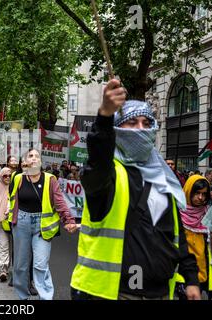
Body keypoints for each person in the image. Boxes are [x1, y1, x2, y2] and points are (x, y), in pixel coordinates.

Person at [70, 79, 200, 300]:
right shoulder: (109, 174)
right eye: (131, 123)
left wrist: (191, 280)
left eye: (146, 123)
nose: (140, 129)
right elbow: (98, 159)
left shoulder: (164, 180)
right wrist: (105, 116)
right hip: (112, 293)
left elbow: (175, 236)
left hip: (159, 293)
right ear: (117, 130)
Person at [9, 148, 78, 300]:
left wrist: (68, 220)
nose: (33, 158)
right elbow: (12, 199)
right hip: (21, 224)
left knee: (40, 265)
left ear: (40, 161)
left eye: (36, 156)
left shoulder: (50, 179)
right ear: (25, 162)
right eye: (30, 156)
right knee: (20, 266)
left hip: (42, 226)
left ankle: (45, 297)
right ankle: (23, 297)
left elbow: (60, 202)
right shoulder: (17, 178)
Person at [175, 175, 211, 299]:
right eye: (196, 193)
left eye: (204, 194)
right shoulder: (177, 213)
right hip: (183, 276)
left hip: (204, 275)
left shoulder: (208, 214)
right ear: (188, 191)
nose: (200, 198)